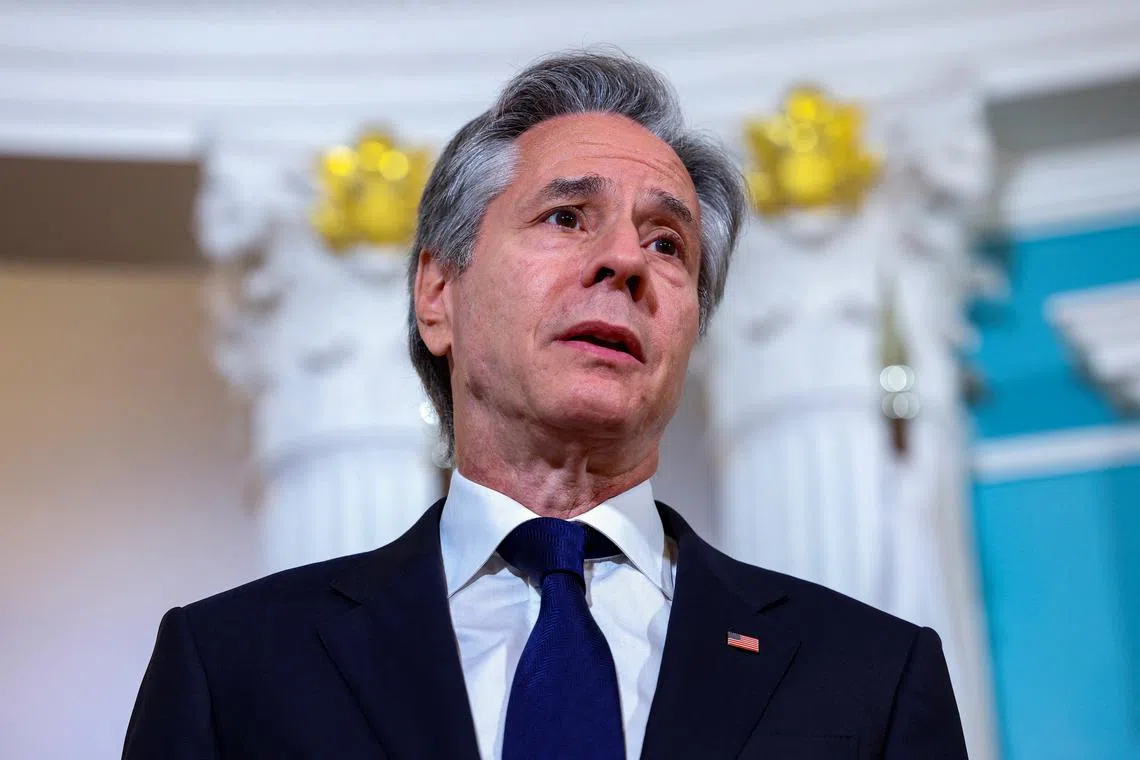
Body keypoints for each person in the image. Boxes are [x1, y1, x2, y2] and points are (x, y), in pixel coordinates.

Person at [123, 51, 968, 760]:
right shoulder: (237, 668)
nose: (626, 263)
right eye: (568, 217)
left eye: (667, 243)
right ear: (438, 292)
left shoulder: (867, 676)